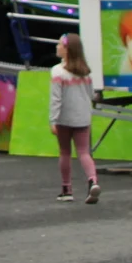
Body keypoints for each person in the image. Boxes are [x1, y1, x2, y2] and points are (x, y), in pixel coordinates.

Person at [49, 33, 100, 204]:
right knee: (84, 152)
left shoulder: (58, 71)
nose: (57, 47)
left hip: (64, 118)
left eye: (60, 45)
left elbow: (56, 98)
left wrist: (53, 119)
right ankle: (93, 180)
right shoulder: (85, 72)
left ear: (67, 49)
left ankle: (67, 189)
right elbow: (91, 95)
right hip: (83, 118)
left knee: (65, 152)